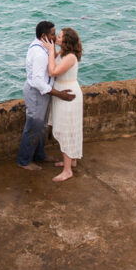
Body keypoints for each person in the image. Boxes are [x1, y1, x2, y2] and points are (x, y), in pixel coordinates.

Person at [17, 21, 76, 171]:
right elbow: (37, 81)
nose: (55, 36)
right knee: (33, 126)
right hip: (36, 93)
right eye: (52, 34)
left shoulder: (43, 46)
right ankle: (24, 161)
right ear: (44, 36)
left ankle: (40, 155)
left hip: (42, 92)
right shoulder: (39, 54)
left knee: (42, 127)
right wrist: (59, 94)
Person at [43, 27, 84, 182]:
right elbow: (51, 60)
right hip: (62, 90)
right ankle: (71, 161)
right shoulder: (63, 53)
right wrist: (52, 50)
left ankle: (67, 171)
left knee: (67, 129)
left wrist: (51, 49)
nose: (56, 38)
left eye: (59, 37)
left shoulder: (70, 57)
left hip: (68, 93)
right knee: (68, 127)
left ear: (66, 41)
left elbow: (53, 71)